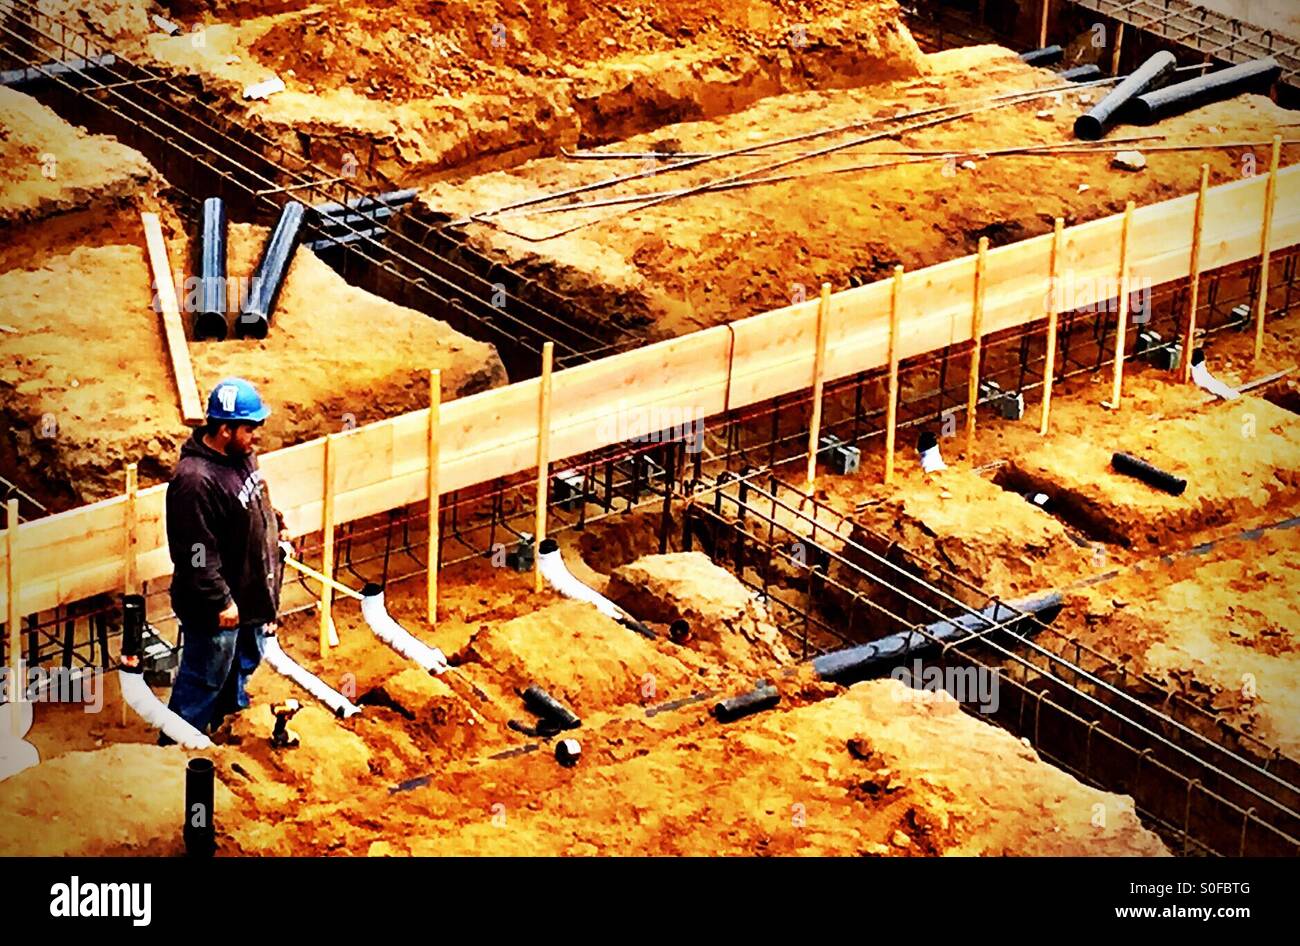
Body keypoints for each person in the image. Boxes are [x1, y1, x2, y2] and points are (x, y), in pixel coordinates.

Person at [164, 377, 286, 735]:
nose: (255, 436)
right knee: (204, 679)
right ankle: (177, 744)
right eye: (249, 428)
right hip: (216, 607)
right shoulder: (194, 482)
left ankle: (229, 727)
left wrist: (275, 523)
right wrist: (220, 601)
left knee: (238, 668)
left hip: (247, 594)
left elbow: (253, 498)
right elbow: (195, 552)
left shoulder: (241, 455)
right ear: (224, 429)